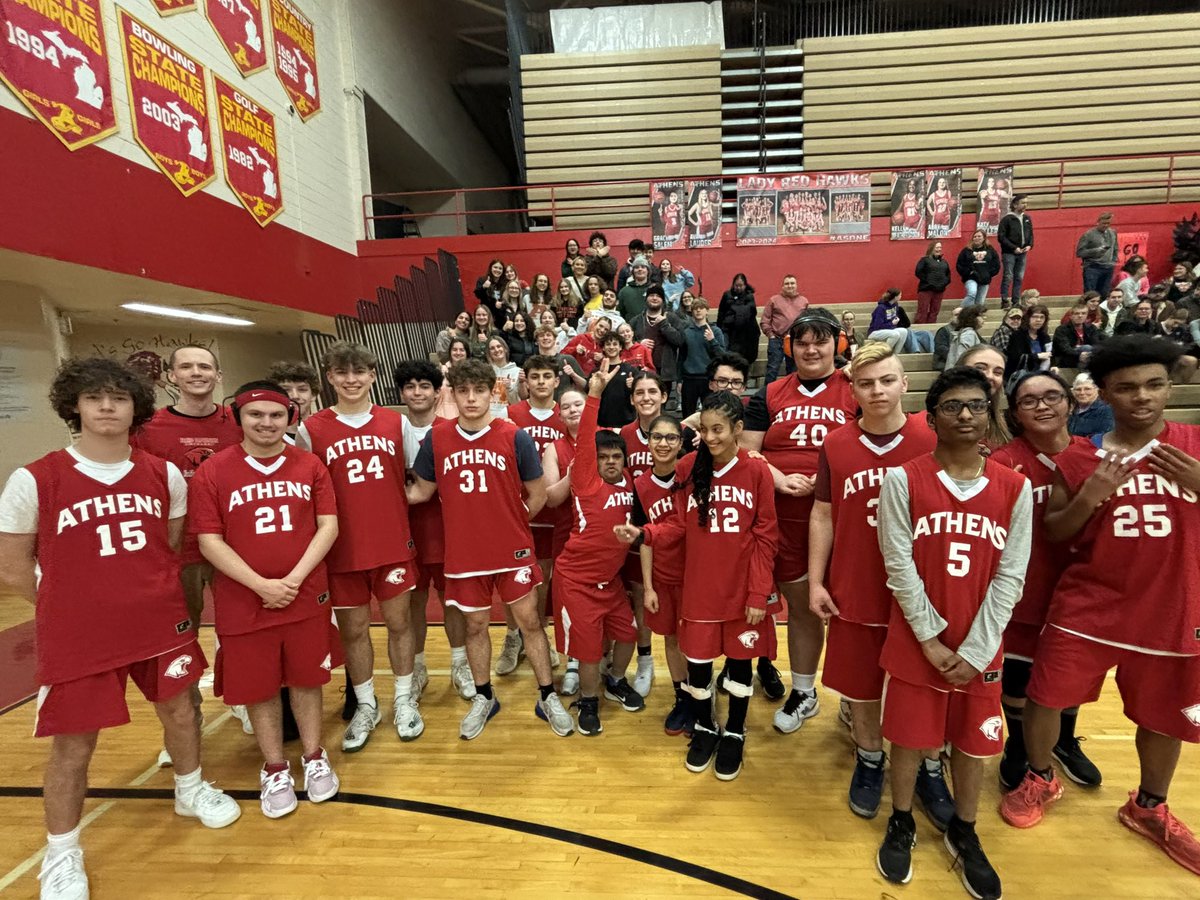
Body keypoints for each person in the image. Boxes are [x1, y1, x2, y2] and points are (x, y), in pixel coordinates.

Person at [0, 358, 240, 898]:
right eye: (94, 398)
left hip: (157, 617)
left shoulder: (164, 473)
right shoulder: (35, 477)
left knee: (180, 708)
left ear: (136, 409)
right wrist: (69, 604)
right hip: (81, 633)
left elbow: (171, 542)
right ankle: (61, 853)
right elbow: (12, 565)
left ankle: (190, 788)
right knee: (73, 745)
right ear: (74, 407)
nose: (107, 407)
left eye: (118, 398)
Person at [999, 336, 1200, 878]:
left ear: (1169, 387)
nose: (1143, 397)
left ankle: (1150, 807)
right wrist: (1092, 496)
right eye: (1128, 387)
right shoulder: (1080, 456)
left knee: (1164, 717)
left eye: (1154, 385)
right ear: (1105, 393)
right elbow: (1058, 531)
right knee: (1045, 696)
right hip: (1089, 602)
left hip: (1171, 605)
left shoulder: (1194, 444)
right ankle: (1040, 776)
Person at [874, 366, 1032, 899]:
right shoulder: (903, 479)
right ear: (932, 416)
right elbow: (897, 563)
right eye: (952, 406)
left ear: (990, 415)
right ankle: (900, 819)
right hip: (920, 640)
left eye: (976, 405)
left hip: (981, 643)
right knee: (908, 739)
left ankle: (965, 829)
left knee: (974, 744)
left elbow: (1012, 573)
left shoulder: (1016, 487)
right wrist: (929, 637)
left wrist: (978, 645)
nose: (965, 415)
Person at [807, 343, 949, 824]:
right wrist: (815, 581)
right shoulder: (835, 443)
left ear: (905, 383)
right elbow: (822, 513)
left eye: (887, 380)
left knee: (925, 683)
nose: (878, 390)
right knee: (862, 686)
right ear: (853, 389)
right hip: (856, 583)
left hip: (926, 589)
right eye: (866, 383)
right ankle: (870, 758)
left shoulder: (935, 437)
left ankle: (929, 765)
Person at [190, 380, 342, 819]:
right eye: (256, 415)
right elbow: (208, 540)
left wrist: (292, 579)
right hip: (244, 599)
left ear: (288, 418)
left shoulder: (309, 465)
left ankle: (314, 757)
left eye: (276, 415)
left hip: (304, 592)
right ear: (239, 418)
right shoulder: (213, 471)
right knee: (258, 689)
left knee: (307, 680)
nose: (266, 423)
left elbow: (327, 526)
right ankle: (275, 766)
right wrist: (261, 585)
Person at [614, 392, 779, 781]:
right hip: (699, 590)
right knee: (699, 671)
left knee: (740, 672)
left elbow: (767, 537)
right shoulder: (688, 466)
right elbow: (676, 523)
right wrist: (644, 533)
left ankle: (735, 730)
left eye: (718, 429)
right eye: (704, 429)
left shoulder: (756, 471)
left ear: (739, 429)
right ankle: (706, 727)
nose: (709, 437)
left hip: (741, 593)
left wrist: (759, 593)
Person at [407, 359, 574, 740]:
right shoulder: (437, 438)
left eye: (478, 391)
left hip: (512, 549)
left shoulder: (514, 436)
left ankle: (547, 695)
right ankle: (484, 696)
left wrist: (511, 523)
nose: (470, 399)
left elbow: (535, 494)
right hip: (465, 553)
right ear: (452, 393)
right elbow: (421, 491)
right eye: (463, 391)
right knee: (477, 625)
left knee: (530, 622)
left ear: (491, 393)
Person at [296, 343, 422, 750]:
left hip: (391, 543)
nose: (351, 379)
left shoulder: (395, 423)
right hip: (341, 549)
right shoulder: (310, 429)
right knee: (354, 631)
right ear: (329, 378)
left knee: (401, 624)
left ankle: (404, 697)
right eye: (341, 372)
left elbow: (410, 479)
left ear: (372, 376)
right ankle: (367, 704)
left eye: (359, 372)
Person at [742, 308, 859, 735]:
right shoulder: (770, 392)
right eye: (802, 342)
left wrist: (831, 478)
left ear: (837, 344)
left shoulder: (856, 387)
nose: (811, 349)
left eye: (821, 341)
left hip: (844, 517)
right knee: (805, 611)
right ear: (790, 347)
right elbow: (748, 452)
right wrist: (779, 477)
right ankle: (804, 691)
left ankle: (855, 696)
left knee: (850, 612)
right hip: (784, 517)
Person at [991, 371, 1101, 793]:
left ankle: (1064, 742)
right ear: (1016, 413)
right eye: (1029, 400)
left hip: (1080, 592)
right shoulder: (1003, 462)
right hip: (1023, 593)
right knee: (1018, 683)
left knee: (1068, 678)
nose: (1042, 406)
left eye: (1052, 396)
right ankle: (1018, 746)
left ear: (1070, 403)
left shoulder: (1094, 457)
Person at [129, 344, 247, 738]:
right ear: (172, 376)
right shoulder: (149, 430)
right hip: (181, 552)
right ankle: (185, 727)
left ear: (218, 376)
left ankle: (243, 699)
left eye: (205, 366)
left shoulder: (238, 422)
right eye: (187, 367)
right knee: (181, 641)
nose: (196, 373)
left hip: (237, 548)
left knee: (241, 631)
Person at [554, 370, 644, 734]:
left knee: (629, 635)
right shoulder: (586, 480)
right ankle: (588, 702)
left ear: (623, 460)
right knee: (589, 651)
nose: (610, 461)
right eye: (603, 456)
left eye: (615, 457)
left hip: (610, 583)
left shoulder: (631, 482)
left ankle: (616, 680)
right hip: (577, 582)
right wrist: (594, 394)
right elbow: (586, 443)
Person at [394, 360, 475, 703]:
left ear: (437, 391)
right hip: (402, 531)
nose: (417, 392)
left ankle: (460, 664)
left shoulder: (452, 430)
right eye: (410, 386)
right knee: (412, 606)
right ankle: (417, 667)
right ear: (401, 392)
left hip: (447, 530)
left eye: (424, 386)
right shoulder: (390, 431)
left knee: (452, 602)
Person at [507, 355, 570, 675]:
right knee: (512, 575)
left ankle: (539, 632)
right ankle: (512, 635)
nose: (542, 381)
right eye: (536, 376)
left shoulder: (567, 414)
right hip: (516, 509)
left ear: (557, 381)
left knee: (543, 575)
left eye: (548, 376)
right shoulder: (511, 415)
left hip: (553, 511)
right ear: (526, 381)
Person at [541, 388, 589, 695]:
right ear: (559, 415)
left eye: (578, 404)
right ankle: (572, 661)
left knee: (605, 595)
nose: (572, 410)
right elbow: (552, 497)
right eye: (566, 407)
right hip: (567, 531)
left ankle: (600, 656)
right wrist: (572, 473)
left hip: (600, 531)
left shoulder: (605, 437)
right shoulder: (553, 448)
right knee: (568, 599)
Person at [629, 285, 686, 402]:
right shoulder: (636, 320)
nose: (654, 298)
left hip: (665, 372)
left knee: (661, 404)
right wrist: (639, 343)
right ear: (646, 299)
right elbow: (626, 343)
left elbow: (680, 340)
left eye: (658, 296)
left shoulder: (671, 318)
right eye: (651, 295)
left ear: (663, 300)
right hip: (641, 370)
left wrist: (665, 324)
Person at [678, 298, 727, 416]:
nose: (698, 311)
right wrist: (679, 380)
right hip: (689, 378)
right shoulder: (686, 332)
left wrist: (712, 340)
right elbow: (681, 357)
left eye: (701, 308)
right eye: (695, 309)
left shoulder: (715, 331)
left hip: (709, 378)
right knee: (687, 414)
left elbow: (722, 356)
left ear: (707, 311)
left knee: (710, 413)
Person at [959, 344, 1012, 449]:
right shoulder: (923, 424)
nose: (989, 376)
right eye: (980, 368)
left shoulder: (1008, 423)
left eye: (998, 372)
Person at [760, 275, 810, 384]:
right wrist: (771, 335)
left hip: (795, 341)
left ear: (796, 285)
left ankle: (791, 395)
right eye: (787, 283)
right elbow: (765, 320)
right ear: (782, 286)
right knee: (772, 370)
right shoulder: (774, 300)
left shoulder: (804, 301)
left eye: (792, 283)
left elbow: (808, 321)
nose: (790, 286)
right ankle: (766, 395)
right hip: (777, 340)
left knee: (794, 371)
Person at [266, 359, 320, 442]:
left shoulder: (328, 430)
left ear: (313, 395)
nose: (295, 396)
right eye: (286, 390)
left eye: (302, 389)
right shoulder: (265, 436)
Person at [532, 323, 587, 399]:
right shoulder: (532, 362)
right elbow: (524, 395)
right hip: (541, 407)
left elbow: (585, 386)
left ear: (555, 339)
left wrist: (573, 374)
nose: (545, 338)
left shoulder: (567, 359)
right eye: (541, 336)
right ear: (537, 341)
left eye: (548, 335)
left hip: (564, 407)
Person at [997, 194, 1034, 310]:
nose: (1025, 205)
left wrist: (1029, 245)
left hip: (1023, 252)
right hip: (1009, 253)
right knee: (1008, 276)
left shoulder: (1027, 218)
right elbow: (1001, 237)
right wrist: (1013, 248)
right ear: (1015, 204)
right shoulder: (1007, 219)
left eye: (1026, 203)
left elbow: (1031, 235)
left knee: (1019, 277)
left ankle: (1015, 301)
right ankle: (1004, 300)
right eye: (1023, 203)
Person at [718, 273, 760, 363]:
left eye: (741, 285)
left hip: (745, 332)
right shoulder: (726, 295)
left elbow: (752, 313)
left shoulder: (749, 296)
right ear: (733, 285)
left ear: (745, 285)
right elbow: (721, 312)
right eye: (736, 285)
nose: (738, 288)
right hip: (729, 330)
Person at [1005, 304, 1053, 380]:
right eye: (1035, 317)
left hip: (1040, 376)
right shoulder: (1017, 335)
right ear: (1028, 318)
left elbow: (1050, 354)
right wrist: (1038, 356)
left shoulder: (1045, 337)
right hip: (1021, 377)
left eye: (1042, 317)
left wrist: (1054, 366)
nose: (1038, 320)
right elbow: (1015, 358)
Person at [1075, 212, 1119, 297]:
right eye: (1103, 223)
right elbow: (1079, 252)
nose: (1106, 225)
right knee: (1090, 294)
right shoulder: (1088, 234)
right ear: (1097, 222)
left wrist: (1113, 261)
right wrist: (1096, 251)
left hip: (1108, 267)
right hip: (1093, 267)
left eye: (1108, 223)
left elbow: (1115, 248)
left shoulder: (1113, 233)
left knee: (1105, 293)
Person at [956, 229, 1001, 307]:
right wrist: (968, 272)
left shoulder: (990, 250)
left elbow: (996, 264)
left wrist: (989, 274)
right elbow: (959, 264)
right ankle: (959, 311)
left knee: (979, 303)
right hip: (970, 278)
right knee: (972, 293)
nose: (976, 238)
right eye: (975, 236)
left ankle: (973, 318)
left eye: (979, 236)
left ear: (984, 238)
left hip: (984, 279)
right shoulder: (967, 250)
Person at [1052, 302, 1101, 369]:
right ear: (1071, 316)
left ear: (1086, 316)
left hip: (1087, 356)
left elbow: (1096, 344)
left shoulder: (1091, 328)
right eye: (1077, 313)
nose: (1080, 316)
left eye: (1083, 313)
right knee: (1086, 348)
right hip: (1067, 358)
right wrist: (1079, 354)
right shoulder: (1061, 329)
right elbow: (1065, 349)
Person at [914, 240, 952, 324]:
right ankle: (920, 328)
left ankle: (931, 327)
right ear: (932, 248)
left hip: (939, 290)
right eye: (937, 247)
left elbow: (948, 275)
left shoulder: (944, 262)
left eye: (940, 247)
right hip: (926, 289)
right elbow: (918, 272)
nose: (939, 249)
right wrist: (928, 281)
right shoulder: (924, 260)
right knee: (922, 310)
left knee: (935, 311)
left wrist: (944, 283)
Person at [1067, 372, 1114, 438]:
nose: (1082, 393)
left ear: (1097, 390)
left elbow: (1104, 437)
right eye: (1078, 389)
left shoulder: (1106, 410)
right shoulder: (1070, 409)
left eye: (1087, 389)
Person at [867, 288, 911, 355]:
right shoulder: (881, 308)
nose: (901, 297)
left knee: (904, 331)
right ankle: (884, 354)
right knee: (895, 334)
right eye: (900, 295)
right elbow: (877, 326)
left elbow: (893, 317)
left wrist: (895, 320)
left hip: (889, 329)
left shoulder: (895, 305)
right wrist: (892, 323)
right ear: (895, 297)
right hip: (875, 331)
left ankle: (896, 354)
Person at [486, 337, 521, 418]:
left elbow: (516, 403)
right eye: (492, 348)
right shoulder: (485, 371)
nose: (496, 350)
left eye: (499, 346)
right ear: (489, 353)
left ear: (505, 349)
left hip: (509, 417)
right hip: (488, 417)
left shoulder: (517, 372)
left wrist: (509, 388)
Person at [435, 338, 469, 420]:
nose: (458, 353)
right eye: (454, 350)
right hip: (443, 414)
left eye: (461, 350)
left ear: (467, 353)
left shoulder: (473, 372)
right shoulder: (441, 371)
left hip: (466, 413)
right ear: (450, 352)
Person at [618, 256, 652, 321]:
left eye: (643, 267)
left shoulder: (655, 289)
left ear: (648, 271)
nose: (640, 269)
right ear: (633, 272)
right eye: (636, 267)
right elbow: (620, 314)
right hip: (630, 329)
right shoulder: (624, 291)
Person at [933, 307, 962, 372]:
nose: (959, 317)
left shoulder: (968, 330)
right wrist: (958, 358)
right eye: (956, 315)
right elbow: (941, 349)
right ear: (951, 317)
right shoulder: (943, 331)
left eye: (961, 315)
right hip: (944, 363)